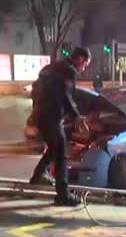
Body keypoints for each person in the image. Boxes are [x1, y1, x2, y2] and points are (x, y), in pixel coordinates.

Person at [29, 47, 91, 206]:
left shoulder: (53, 68)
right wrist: (77, 116)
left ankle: (37, 176)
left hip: (41, 116)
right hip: (52, 117)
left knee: (54, 147)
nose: (84, 68)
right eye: (85, 65)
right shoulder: (68, 71)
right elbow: (66, 96)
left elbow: (36, 90)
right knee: (61, 155)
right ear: (80, 59)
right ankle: (63, 195)